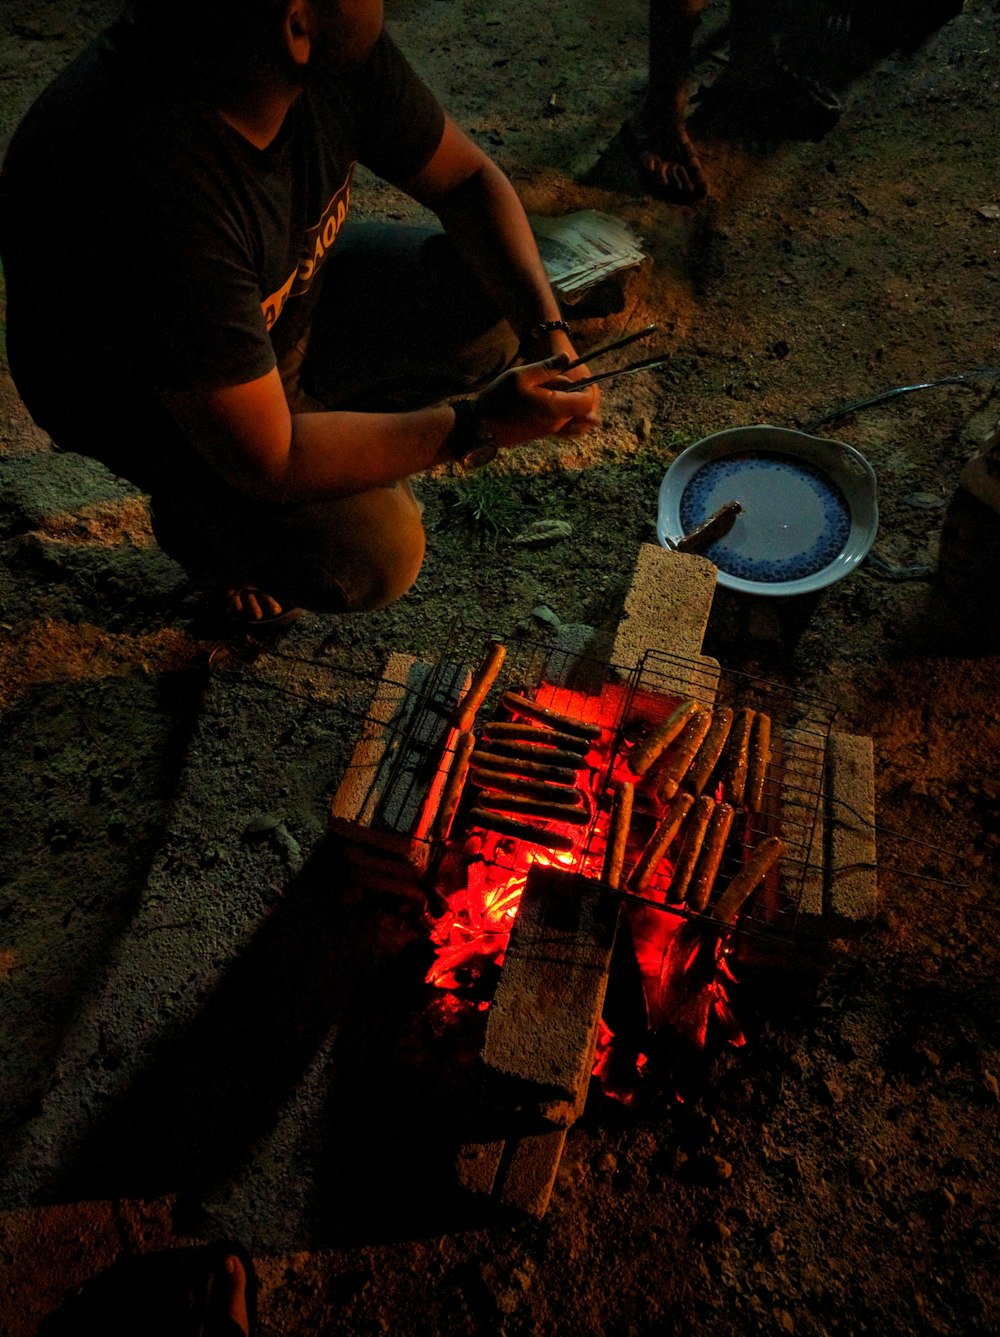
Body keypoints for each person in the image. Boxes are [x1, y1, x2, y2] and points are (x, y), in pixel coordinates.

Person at [0, 0, 600, 629]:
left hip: (277, 307)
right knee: (377, 551)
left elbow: (470, 182)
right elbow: (275, 458)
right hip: (159, 406)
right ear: (295, 26)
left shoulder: (313, 51)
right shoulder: (158, 178)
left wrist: (548, 333)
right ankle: (205, 525)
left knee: (496, 305)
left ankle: (305, 457)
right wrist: (478, 424)